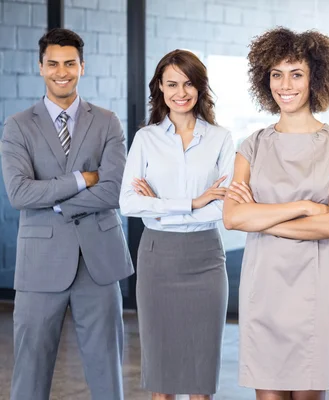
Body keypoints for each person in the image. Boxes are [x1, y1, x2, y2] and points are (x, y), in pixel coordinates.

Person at [222, 27, 329, 400]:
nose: (286, 85)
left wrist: (262, 216)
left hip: (315, 288)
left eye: (296, 74)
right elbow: (233, 218)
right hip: (264, 289)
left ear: (315, 78)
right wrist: (301, 208)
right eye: (276, 74)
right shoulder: (252, 145)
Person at [0, 28, 133, 400]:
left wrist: (56, 200)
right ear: (40, 68)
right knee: (30, 372)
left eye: (70, 63)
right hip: (40, 264)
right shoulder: (18, 126)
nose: (63, 71)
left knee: (108, 372)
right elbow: (20, 192)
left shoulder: (108, 121)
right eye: (53, 64)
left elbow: (114, 189)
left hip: (99, 262)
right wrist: (80, 179)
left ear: (82, 67)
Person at [119, 49, 234, 400]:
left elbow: (226, 207)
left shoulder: (221, 138)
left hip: (205, 257)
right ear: (160, 87)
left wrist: (159, 206)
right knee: (163, 376)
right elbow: (127, 203)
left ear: (200, 88)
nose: (180, 92)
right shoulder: (146, 139)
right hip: (158, 257)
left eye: (188, 83)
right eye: (171, 84)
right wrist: (194, 202)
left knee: (201, 374)